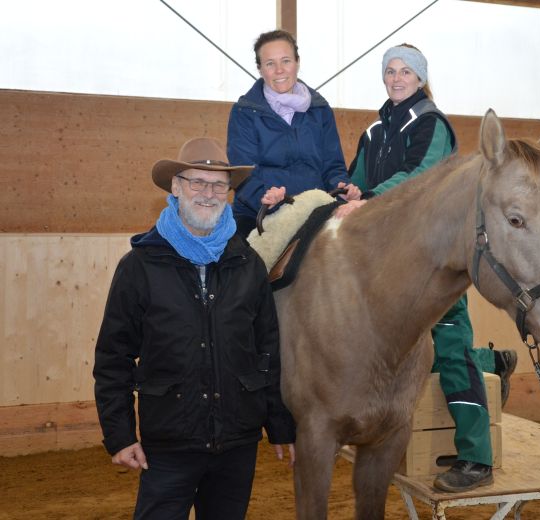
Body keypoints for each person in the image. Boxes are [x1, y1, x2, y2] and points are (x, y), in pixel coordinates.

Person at [345, 43, 518, 493]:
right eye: (390, 71)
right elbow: (358, 180)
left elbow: (421, 177)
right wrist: (348, 193)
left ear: (420, 79)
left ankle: (477, 458)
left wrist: (370, 200)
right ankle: (494, 362)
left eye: (406, 72)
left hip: (432, 256)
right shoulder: (373, 131)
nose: (397, 78)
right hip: (387, 258)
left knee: (450, 344)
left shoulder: (432, 124)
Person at [93, 137, 296, 520]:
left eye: (219, 184)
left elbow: (266, 350)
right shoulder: (139, 266)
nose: (209, 193)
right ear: (176, 187)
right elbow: (113, 357)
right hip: (169, 441)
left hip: (237, 441)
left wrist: (280, 424)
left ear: (229, 193)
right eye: (197, 182)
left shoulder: (247, 263)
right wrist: (119, 435)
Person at [227, 30, 361, 236]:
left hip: (314, 211)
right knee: (241, 263)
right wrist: (266, 198)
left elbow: (333, 166)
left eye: (286, 61)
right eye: (270, 63)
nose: (279, 70)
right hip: (260, 214)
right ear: (260, 69)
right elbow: (242, 174)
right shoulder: (244, 112)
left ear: (297, 62)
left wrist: (342, 187)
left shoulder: (320, 109)